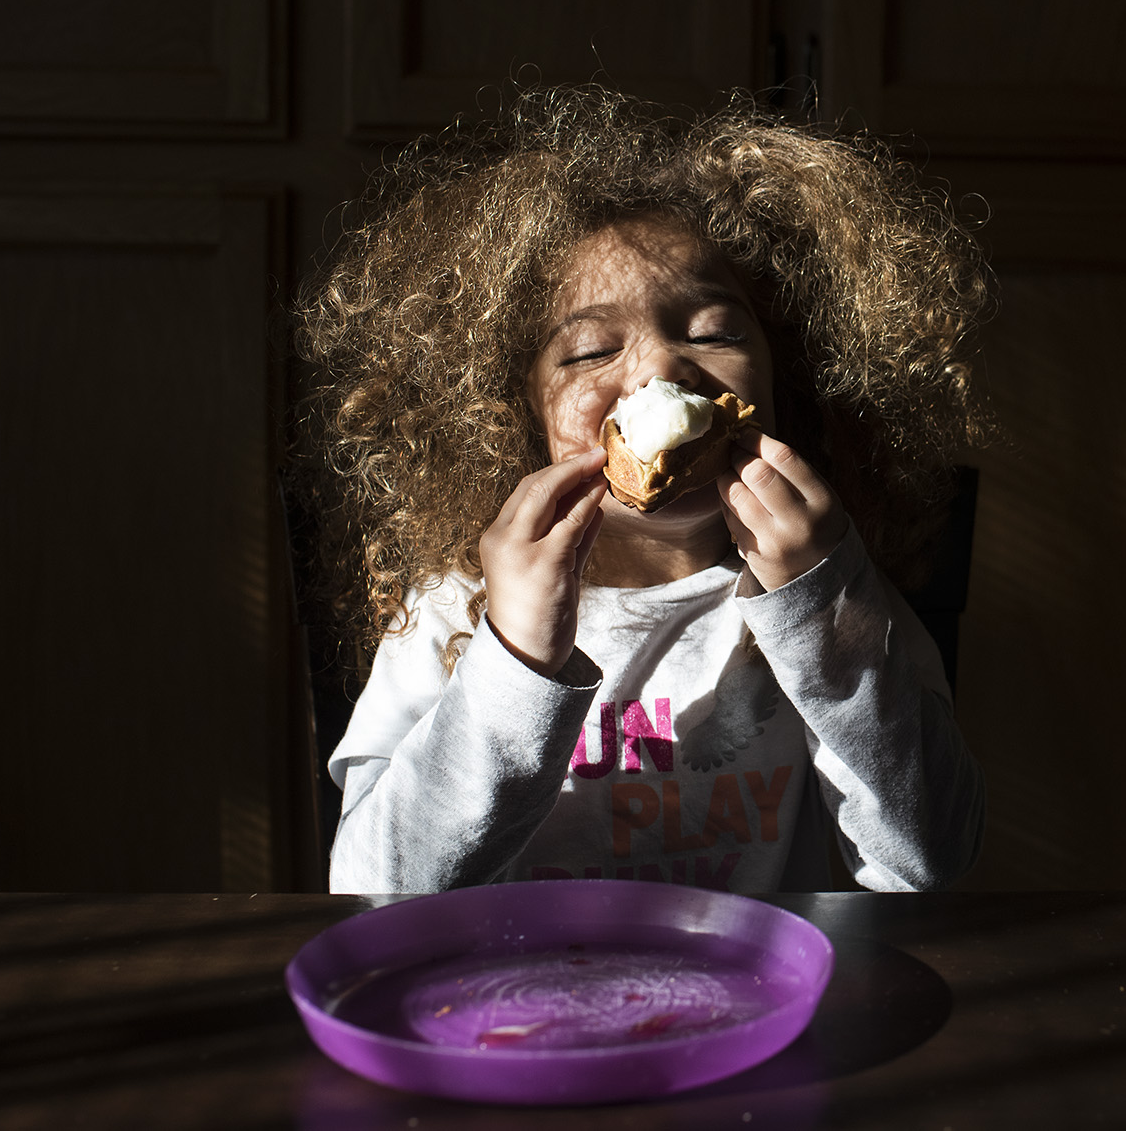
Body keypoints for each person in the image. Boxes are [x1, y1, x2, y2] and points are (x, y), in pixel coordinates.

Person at [293, 86, 991, 895]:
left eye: (713, 333)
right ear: (508, 410)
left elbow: (929, 860)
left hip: (751, 1004)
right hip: (517, 1007)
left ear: (780, 380)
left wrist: (822, 607)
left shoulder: (831, 594)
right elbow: (371, 887)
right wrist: (515, 655)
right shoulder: (459, 610)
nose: (661, 369)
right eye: (589, 351)